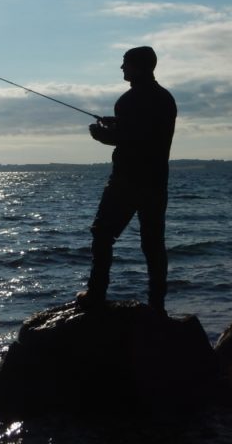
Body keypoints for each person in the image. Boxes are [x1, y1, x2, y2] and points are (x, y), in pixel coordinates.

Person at [77, 46, 177, 313]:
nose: (122, 68)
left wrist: (100, 134)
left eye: (125, 64)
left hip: (127, 180)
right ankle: (158, 305)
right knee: (153, 244)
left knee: (102, 234)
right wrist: (117, 123)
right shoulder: (166, 99)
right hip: (156, 181)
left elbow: (130, 138)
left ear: (139, 66)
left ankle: (96, 294)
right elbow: (145, 133)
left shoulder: (128, 101)